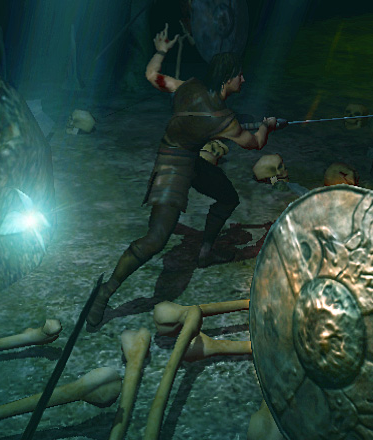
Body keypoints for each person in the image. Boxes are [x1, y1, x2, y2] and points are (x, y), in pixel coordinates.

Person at [86, 24, 279, 328]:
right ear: (227, 79)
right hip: (173, 168)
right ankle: (104, 294)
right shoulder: (223, 120)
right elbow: (255, 143)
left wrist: (161, 51)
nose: (243, 79)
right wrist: (267, 125)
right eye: (240, 75)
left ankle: (205, 252)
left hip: (190, 160)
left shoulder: (189, 88)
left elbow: (153, 76)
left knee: (227, 197)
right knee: (155, 239)